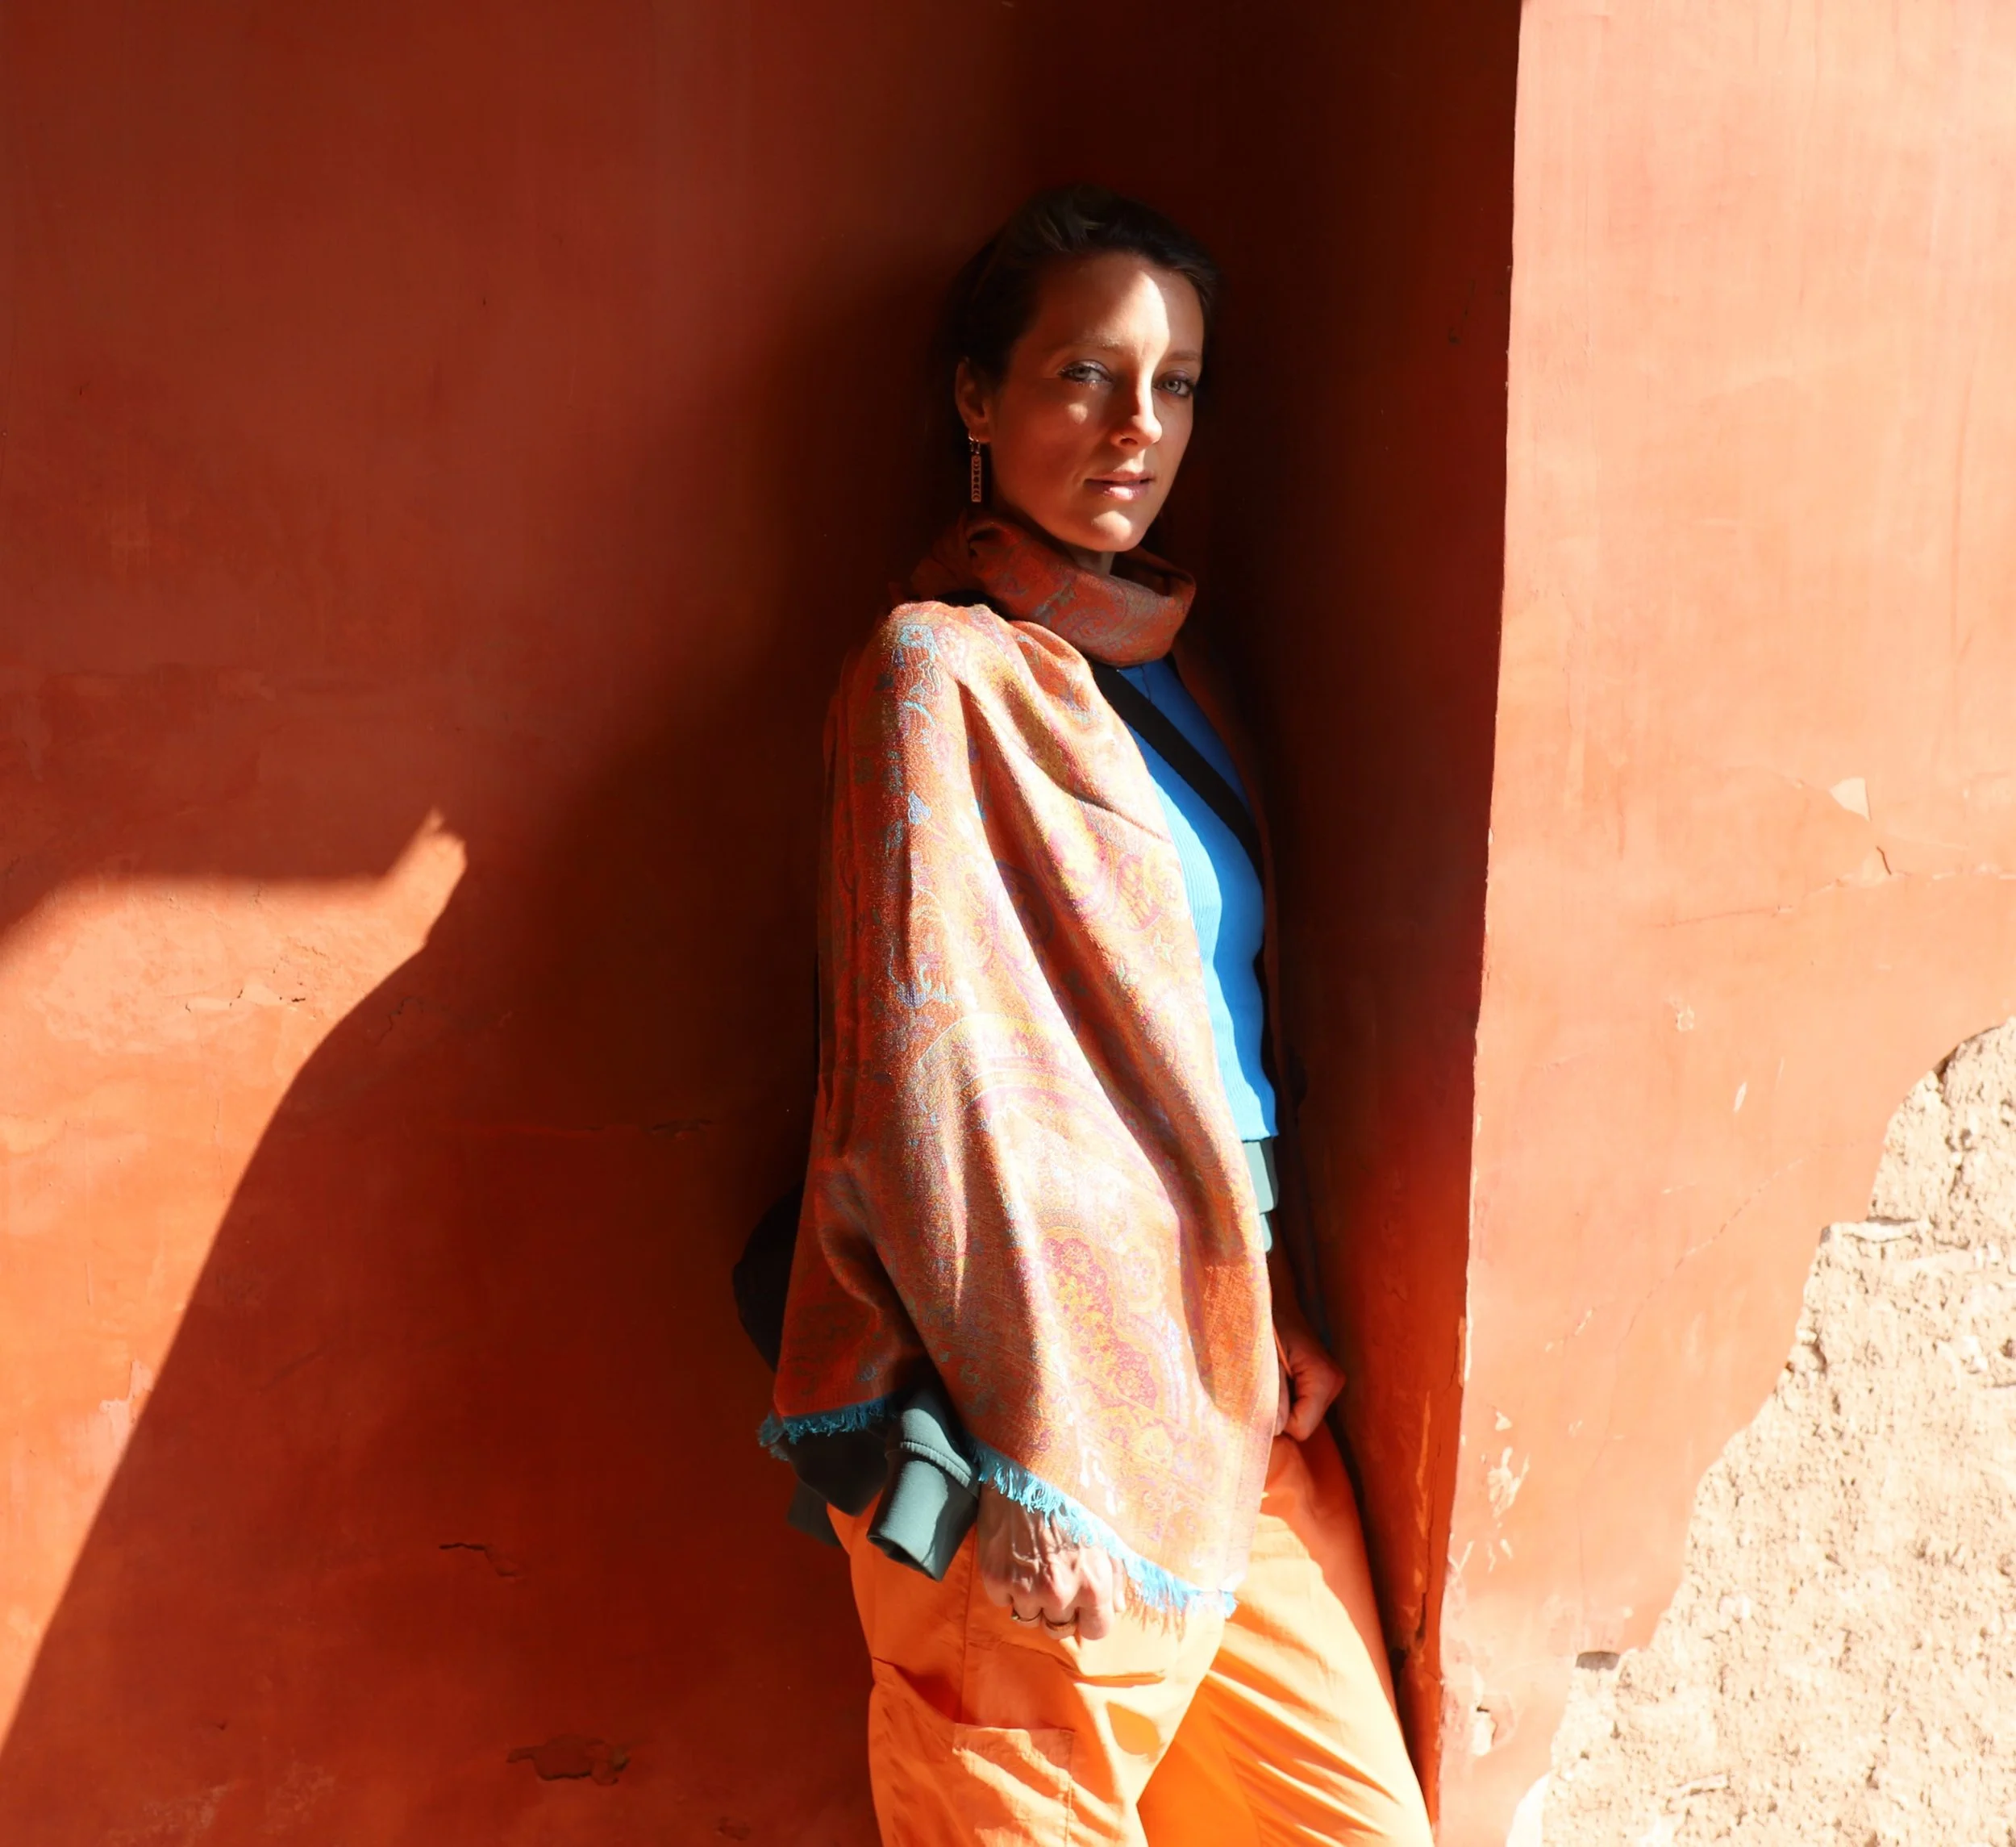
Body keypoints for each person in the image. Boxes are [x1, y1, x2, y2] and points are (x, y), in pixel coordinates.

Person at [761, 186, 1434, 1845]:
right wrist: (1027, 1439)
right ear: (977, 402)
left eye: (1178, 383)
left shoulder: (1174, 681)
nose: (1137, 428)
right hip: (1030, 1424)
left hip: (1218, 1379)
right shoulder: (936, 676)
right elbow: (935, 1090)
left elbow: (1207, 1053)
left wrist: (1260, 1288)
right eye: (1084, 375)